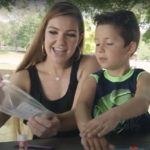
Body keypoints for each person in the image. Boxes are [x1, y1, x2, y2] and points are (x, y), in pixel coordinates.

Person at [0, 1, 100, 139]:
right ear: (43, 35)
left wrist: (57, 124)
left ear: (79, 39)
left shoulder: (89, 64)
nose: (60, 42)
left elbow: (81, 111)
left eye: (70, 34)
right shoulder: (23, 78)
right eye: (53, 32)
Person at [75, 10, 150, 150]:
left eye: (108, 43)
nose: (100, 50)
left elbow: (143, 100)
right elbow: (82, 105)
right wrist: (88, 132)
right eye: (97, 44)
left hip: (140, 144)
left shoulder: (142, 77)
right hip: (104, 145)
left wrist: (116, 114)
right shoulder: (94, 79)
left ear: (130, 48)